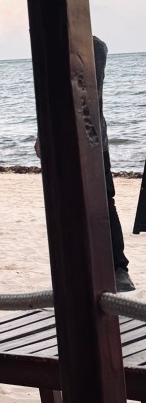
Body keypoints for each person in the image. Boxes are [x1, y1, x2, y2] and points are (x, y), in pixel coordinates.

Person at [34, 36, 134, 292]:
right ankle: (93, 267)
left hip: (92, 140)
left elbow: (84, 97)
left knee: (103, 201)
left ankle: (118, 267)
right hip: (69, 139)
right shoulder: (58, 45)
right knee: (71, 203)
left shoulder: (92, 46)